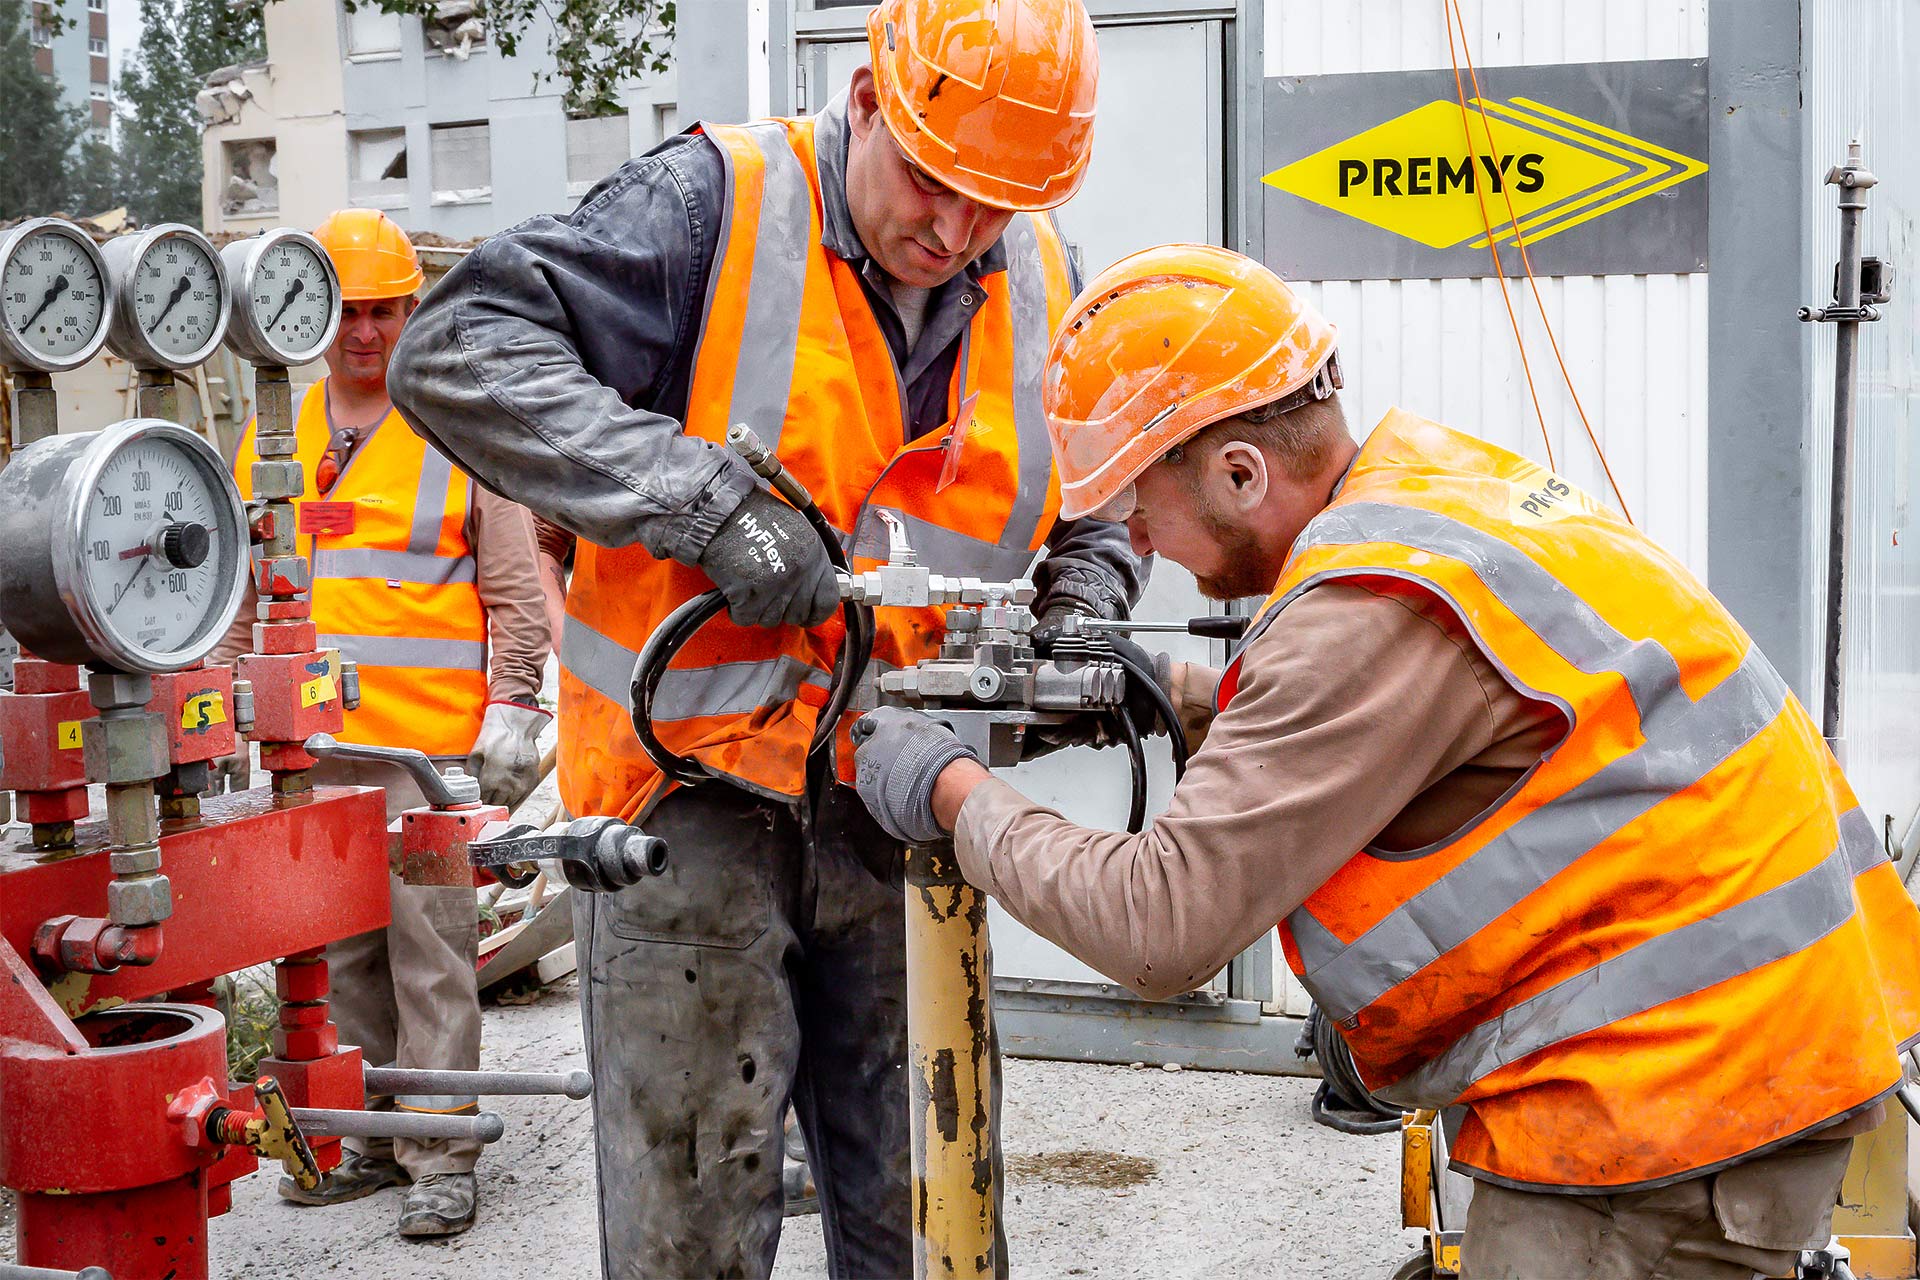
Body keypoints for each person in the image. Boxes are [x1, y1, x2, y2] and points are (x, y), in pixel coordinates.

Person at [851, 244, 1920, 1280]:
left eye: (1137, 502)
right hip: (1739, 1046)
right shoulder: (1429, 497)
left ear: (1238, 471)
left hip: (1667, 1104)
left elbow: (1159, 923)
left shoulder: (1363, 610)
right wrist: (1173, 692)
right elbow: (1403, 731)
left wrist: (948, 787)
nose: (1135, 538)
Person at [386, 2, 1143, 1274]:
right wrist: (703, 498)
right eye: (932, 180)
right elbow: (458, 346)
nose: (955, 230)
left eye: (994, 204)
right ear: (867, 101)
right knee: (692, 1237)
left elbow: (1100, 493)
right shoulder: (711, 209)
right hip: (686, 810)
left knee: (937, 1224)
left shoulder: (1044, 272)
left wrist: (1086, 597)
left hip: (910, 809)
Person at [212, 208, 554, 1239]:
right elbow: (244, 591)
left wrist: (512, 709)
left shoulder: (457, 428)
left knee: (434, 958)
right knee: (342, 960)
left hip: (430, 765)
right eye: (350, 311)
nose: (366, 332)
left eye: (387, 310)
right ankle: (370, 1134)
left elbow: (515, 593)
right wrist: (224, 710)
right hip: (313, 757)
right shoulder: (276, 435)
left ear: (414, 311)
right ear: (317, 316)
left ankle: (442, 1154)